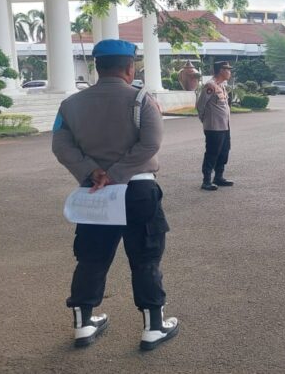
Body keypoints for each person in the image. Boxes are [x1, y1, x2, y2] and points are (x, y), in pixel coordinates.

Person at [52, 39, 178, 350]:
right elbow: (150, 144)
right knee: (146, 258)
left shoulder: (70, 105)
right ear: (130, 67)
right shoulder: (142, 100)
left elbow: (61, 146)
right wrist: (117, 173)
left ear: (97, 66)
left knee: (91, 258)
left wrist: (92, 171)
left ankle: (83, 325)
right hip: (138, 190)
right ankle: (153, 327)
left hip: (95, 192)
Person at [196, 61, 234, 191]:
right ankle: (206, 181)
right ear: (221, 71)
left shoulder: (221, 86)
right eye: (227, 70)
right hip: (214, 127)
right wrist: (205, 120)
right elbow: (200, 105)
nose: (229, 72)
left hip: (224, 126)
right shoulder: (210, 85)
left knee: (224, 152)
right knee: (212, 153)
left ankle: (218, 177)